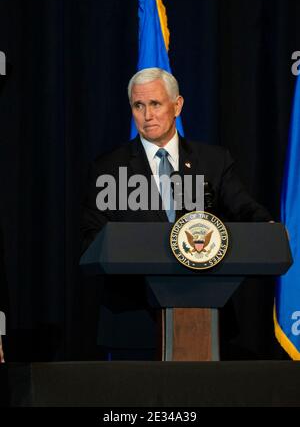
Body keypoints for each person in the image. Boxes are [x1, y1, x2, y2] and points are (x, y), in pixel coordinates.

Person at [80, 67, 272, 359]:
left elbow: (243, 206)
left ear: (177, 105)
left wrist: (265, 226)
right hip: (132, 322)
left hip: (204, 317)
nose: (147, 115)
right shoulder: (108, 168)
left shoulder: (213, 161)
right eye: (138, 105)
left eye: (155, 104)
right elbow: (91, 240)